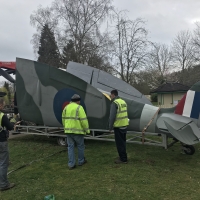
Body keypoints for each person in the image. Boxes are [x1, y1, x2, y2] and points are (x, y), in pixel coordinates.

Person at [62, 94, 90, 170]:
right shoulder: (79, 108)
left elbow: (63, 119)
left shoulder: (66, 107)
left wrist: (65, 128)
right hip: (78, 132)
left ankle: (71, 164)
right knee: (80, 146)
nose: (80, 102)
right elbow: (84, 120)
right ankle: (81, 161)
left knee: (70, 147)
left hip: (68, 131)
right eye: (79, 100)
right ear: (77, 101)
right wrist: (87, 130)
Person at [109, 89, 129, 164]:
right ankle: (123, 156)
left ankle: (123, 159)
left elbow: (112, 117)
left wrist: (110, 127)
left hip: (118, 126)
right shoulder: (123, 102)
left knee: (119, 144)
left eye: (110, 95)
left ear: (113, 95)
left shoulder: (114, 103)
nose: (110, 97)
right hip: (124, 125)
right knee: (123, 143)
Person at [0, 99, 15, 191]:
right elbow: (10, 127)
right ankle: (3, 184)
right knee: (3, 163)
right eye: (3, 105)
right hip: (1, 141)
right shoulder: (2, 115)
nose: (4, 107)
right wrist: (13, 124)